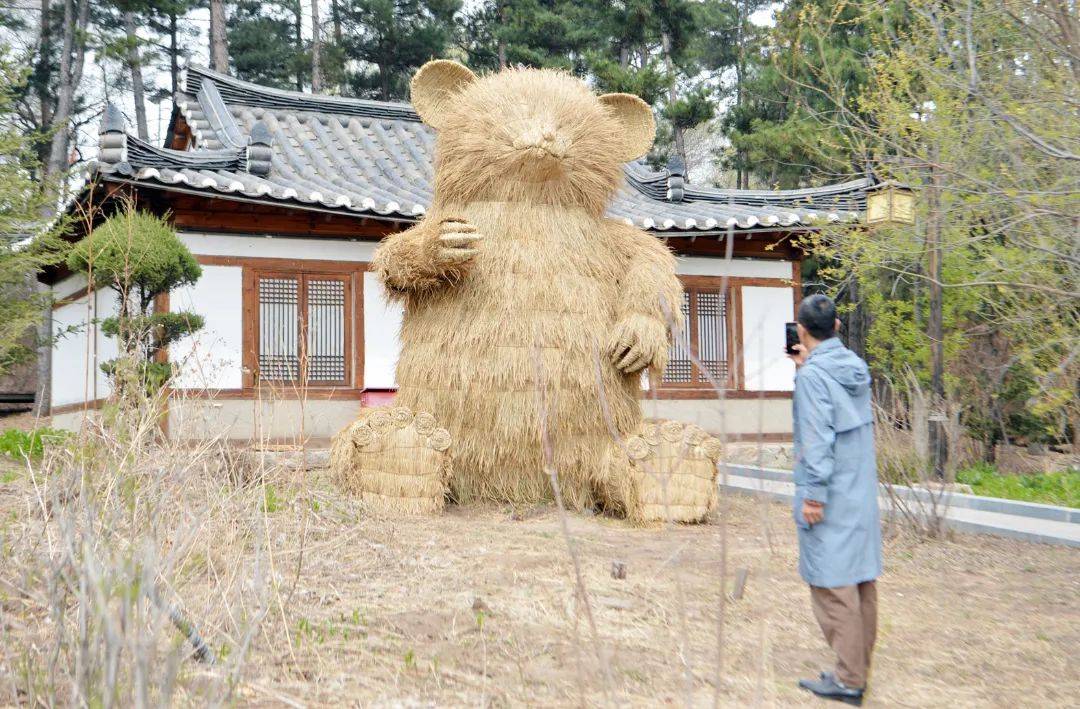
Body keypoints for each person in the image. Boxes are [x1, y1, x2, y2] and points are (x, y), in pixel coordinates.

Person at [787, 294, 882, 706]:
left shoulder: (813, 378)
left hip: (829, 491)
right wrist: (808, 368)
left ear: (802, 331)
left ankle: (847, 680)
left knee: (831, 584)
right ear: (839, 327)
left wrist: (812, 496)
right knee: (861, 581)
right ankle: (856, 669)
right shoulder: (854, 368)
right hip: (858, 490)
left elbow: (817, 439)